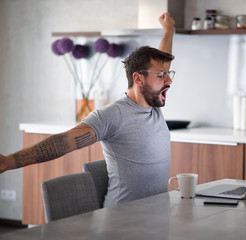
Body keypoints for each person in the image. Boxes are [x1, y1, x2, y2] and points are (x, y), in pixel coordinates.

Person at [0, 12, 176, 207]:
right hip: (123, 221)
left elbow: (163, 63)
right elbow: (62, 142)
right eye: (161, 75)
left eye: (167, 74)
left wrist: (169, 30)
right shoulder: (113, 115)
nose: (168, 80)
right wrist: (9, 162)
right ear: (138, 79)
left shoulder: (153, 107)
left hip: (155, 216)